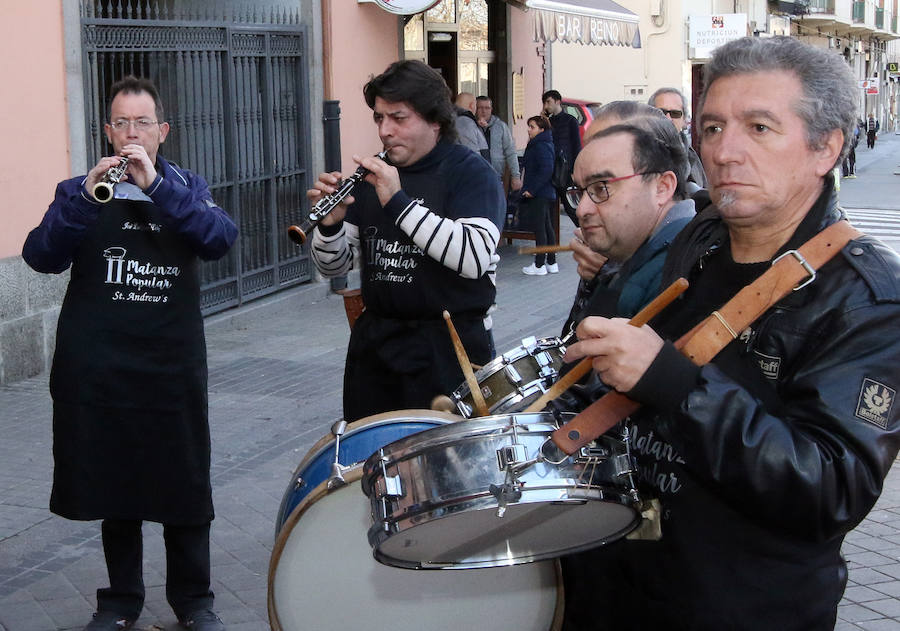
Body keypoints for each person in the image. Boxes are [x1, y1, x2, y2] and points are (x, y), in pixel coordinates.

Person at [561, 36, 900, 630]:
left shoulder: (866, 299)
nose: (724, 152)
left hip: (738, 606)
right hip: (622, 578)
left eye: (759, 128)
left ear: (826, 148)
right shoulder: (703, 237)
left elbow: (828, 488)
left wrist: (672, 380)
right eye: (713, 127)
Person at [22, 76, 237, 631]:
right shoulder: (81, 189)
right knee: (115, 484)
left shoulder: (187, 186)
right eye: (122, 122)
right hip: (101, 369)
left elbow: (218, 238)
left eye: (142, 123)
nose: (132, 133)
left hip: (170, 366)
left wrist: (160, 190)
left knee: (184, 484)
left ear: (162, 131)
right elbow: (40, 256)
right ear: (107, 130)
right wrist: (82, 203)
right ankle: (119, 601)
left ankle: (194, 601)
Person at [309, 60, 505, 422]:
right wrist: (330, 227)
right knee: (372, 464)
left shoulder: (471, 173)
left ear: (435, 120)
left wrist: (398, 203)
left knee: (449, 470)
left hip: (450, 348)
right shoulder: (372, 176)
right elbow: (334, 266)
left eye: (398, 118)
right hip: (378, 348)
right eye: (379, 118)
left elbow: (473, 257)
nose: (385, 130)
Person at [560, 103, 694, 336]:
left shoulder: (683, 264)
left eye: (602, 186)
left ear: (661, 186)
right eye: (581, 191)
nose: (581, 210)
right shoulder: (635, 251)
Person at [520, 115, 559, 275]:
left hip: (540, 192)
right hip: (544, 191)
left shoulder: (541, 145)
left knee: (540, 228)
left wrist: (532, 189)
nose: (529, 130)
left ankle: (539, 265)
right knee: (546, 227)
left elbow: (546, 170)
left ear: (542, 129)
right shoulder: (543, 143)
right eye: (529, 126)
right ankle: (551, 262)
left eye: (532, 127)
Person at [648, 87, 708, 191]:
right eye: (662, 112)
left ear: (684, 121)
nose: (668, 118)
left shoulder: (692, 157)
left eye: (675, 114)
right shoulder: (637, 154)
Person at [542, 89, 582, 224]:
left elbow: (576, 146)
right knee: (550, 210)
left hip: (564, 169)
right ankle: (553, 242)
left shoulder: (570, 121)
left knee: (570, 207)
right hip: (550, 169)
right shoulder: (548, 121)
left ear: (557, 102)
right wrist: (543, 121)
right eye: (544, 103)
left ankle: (584, 235)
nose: (546, 106)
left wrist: (574, 170)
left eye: (548, 102)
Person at [475, 95, 522, 191]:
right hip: (475, 177)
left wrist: (515, 176)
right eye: (480, 108)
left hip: (497, 176)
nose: (484, 111)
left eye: (487, 108)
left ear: (491, 109)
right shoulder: (471, 126)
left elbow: (511, 152)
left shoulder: (501, 127)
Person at [454, 91, 490, 160]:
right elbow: (472, 156)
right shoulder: (465, 122)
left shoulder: (451, 119)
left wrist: (482, 129)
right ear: (472, 105)